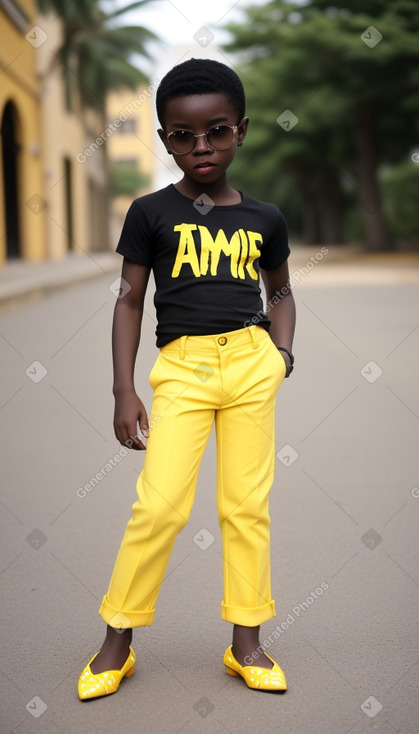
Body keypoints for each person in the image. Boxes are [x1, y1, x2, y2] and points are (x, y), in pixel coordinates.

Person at [78, 58, 296, 699]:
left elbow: (280, 292)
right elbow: (128, 301)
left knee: (245, 507)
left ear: (241, 131)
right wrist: (124, 388)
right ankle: (117, 638)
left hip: (252, 365)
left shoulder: (265, 218)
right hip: (183, 371)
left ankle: (247, 641)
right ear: (164, 137)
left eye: (217, 131)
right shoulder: (149, 213)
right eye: (183, 135)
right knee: (160, 506)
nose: (201, 147)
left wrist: (280, 356)